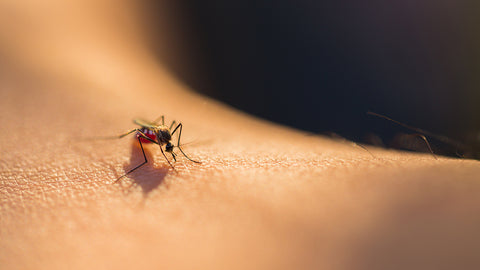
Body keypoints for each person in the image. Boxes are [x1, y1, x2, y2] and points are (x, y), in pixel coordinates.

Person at [1, 1, 479, 269]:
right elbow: (145, 140)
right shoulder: (149, 141)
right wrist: (143, 154)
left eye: (167, 146)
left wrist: (175, 155)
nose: (166, 148)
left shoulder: (169, 139)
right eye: (166, 145)